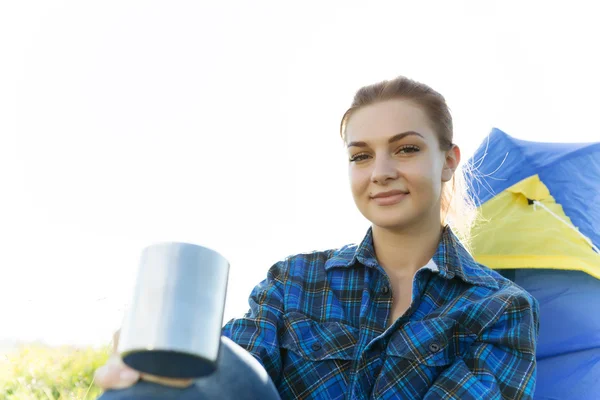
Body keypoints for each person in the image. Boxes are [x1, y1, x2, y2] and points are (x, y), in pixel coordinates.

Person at [94, 76, 540, 399]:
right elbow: (230, 378)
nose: (381, 172)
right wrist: (158, 356)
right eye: (361, 156)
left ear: (447, 161)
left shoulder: (500, 309)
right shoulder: (294, 281)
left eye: (406, 148)